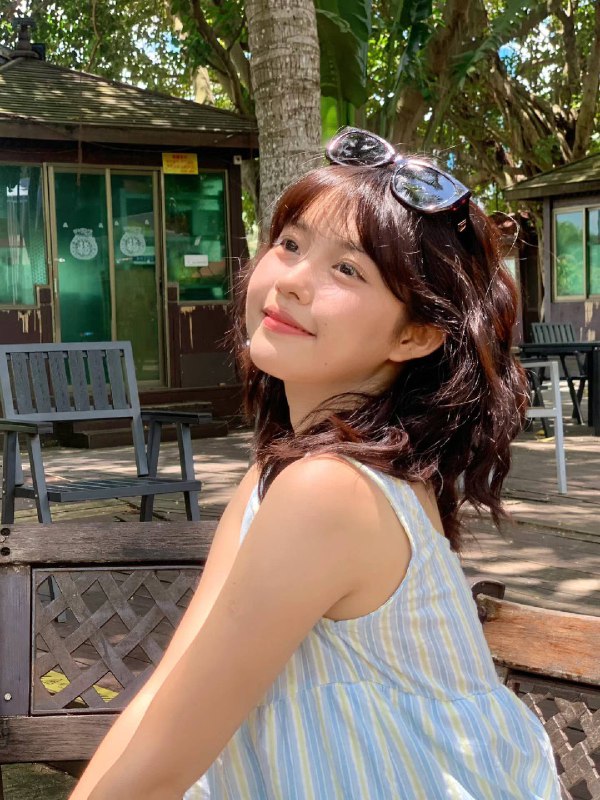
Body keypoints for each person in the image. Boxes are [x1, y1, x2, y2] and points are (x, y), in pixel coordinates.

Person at [70, 128, 560, 800]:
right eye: (291, 244)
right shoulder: (280, 476)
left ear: (415, 334)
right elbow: (165, 700)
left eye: (348, 270)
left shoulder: (329, 492)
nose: (292, 281)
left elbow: (160, 766)